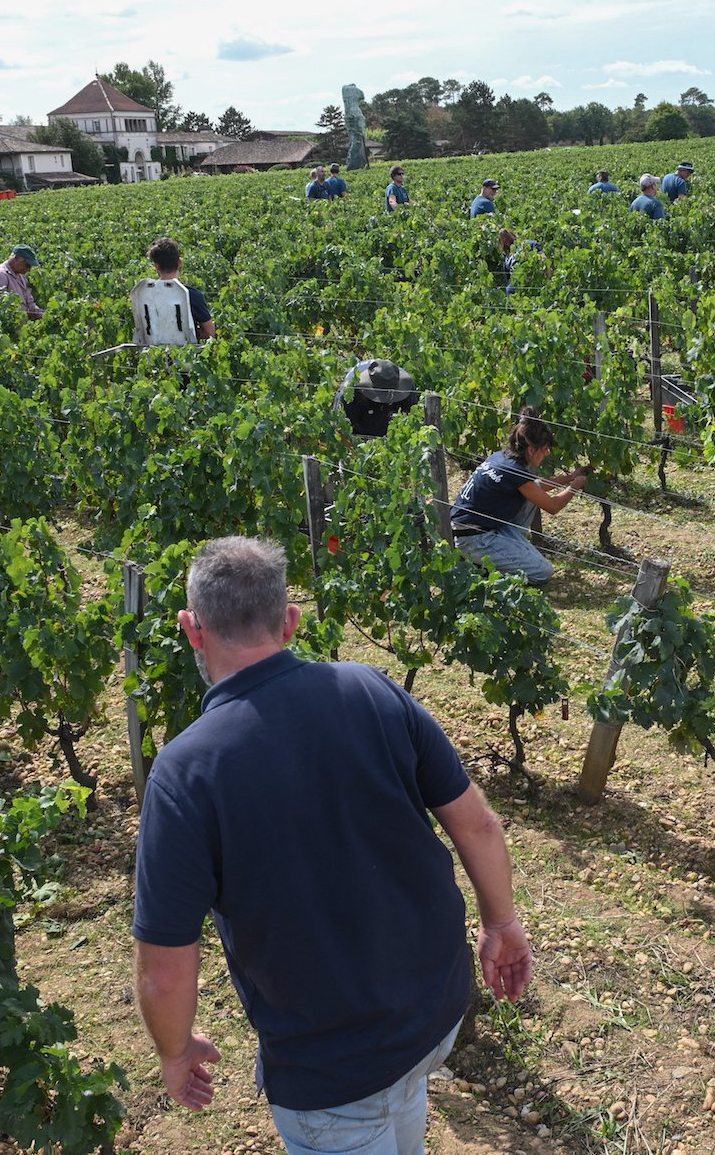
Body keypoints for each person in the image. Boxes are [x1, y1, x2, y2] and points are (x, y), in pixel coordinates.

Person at [132, 536, 531, 1153]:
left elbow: (163, 968)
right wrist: (501, 924)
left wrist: (175, 1050)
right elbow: (479, 824)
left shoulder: (186, 772)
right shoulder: (372, 689)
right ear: (290, 621)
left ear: (192, 629)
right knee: (404, 1106)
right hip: (435, 1014)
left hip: (334, 1069)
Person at [449, 408, 585, 585]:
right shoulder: (515, 472)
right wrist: (575, 486)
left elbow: (535, 486)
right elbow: (553, 506)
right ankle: (479, 568)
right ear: (531, 450)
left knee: (532, 496)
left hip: (472, 527)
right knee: (542, 572)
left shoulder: (501, 458)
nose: (547, 453)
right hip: (473, 538)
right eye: (544, 449)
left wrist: (569, 477)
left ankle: (513, 550)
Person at [146, 237, 216, 340]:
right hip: (186, 353)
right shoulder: (192, 295)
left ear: (156, 266)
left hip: (152, 352)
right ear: (179, 263)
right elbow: (210, 333)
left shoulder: (144, 294)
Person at [335, 358, 420, 439]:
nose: (384, 399)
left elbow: (411, 419)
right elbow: (341, 431)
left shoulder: (407, 388)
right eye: (382, 395)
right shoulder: (353, 392)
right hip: (359, 434)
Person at [0, 245, 44, 319]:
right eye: (27, 265)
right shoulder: (0, 275)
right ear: (15, 259)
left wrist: (43, 315)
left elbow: (30, 303)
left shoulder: (21, 276)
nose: (28, 269)